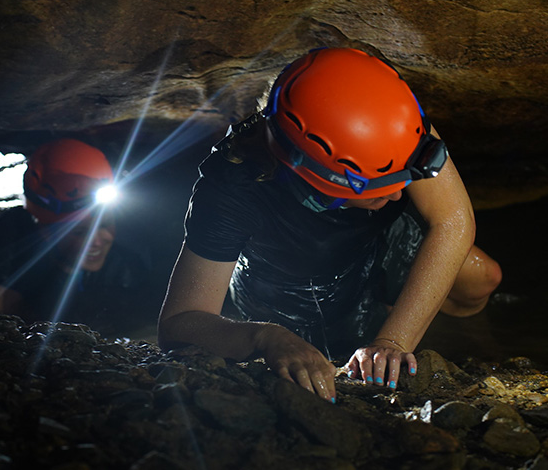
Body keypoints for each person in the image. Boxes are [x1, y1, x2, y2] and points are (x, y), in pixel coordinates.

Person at [157, 47, 502, 402]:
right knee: (326, 355)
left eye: (405, 179)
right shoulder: (233, 189)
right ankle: (375, 312)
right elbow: (179, 322)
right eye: (377, 189)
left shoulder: (391, 120)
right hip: (285, 279)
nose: (400, 197)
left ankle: (437, 327)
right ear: (315, 182)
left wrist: (393, 341)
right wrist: (267, 338)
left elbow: (451, 221)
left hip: (371, 242)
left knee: (481, 278)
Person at [0, 138, 150, 337]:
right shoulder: (15, 229)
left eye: (104, 224)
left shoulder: (129, 262)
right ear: (45, 230)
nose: (99, 240)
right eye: (79, 231)